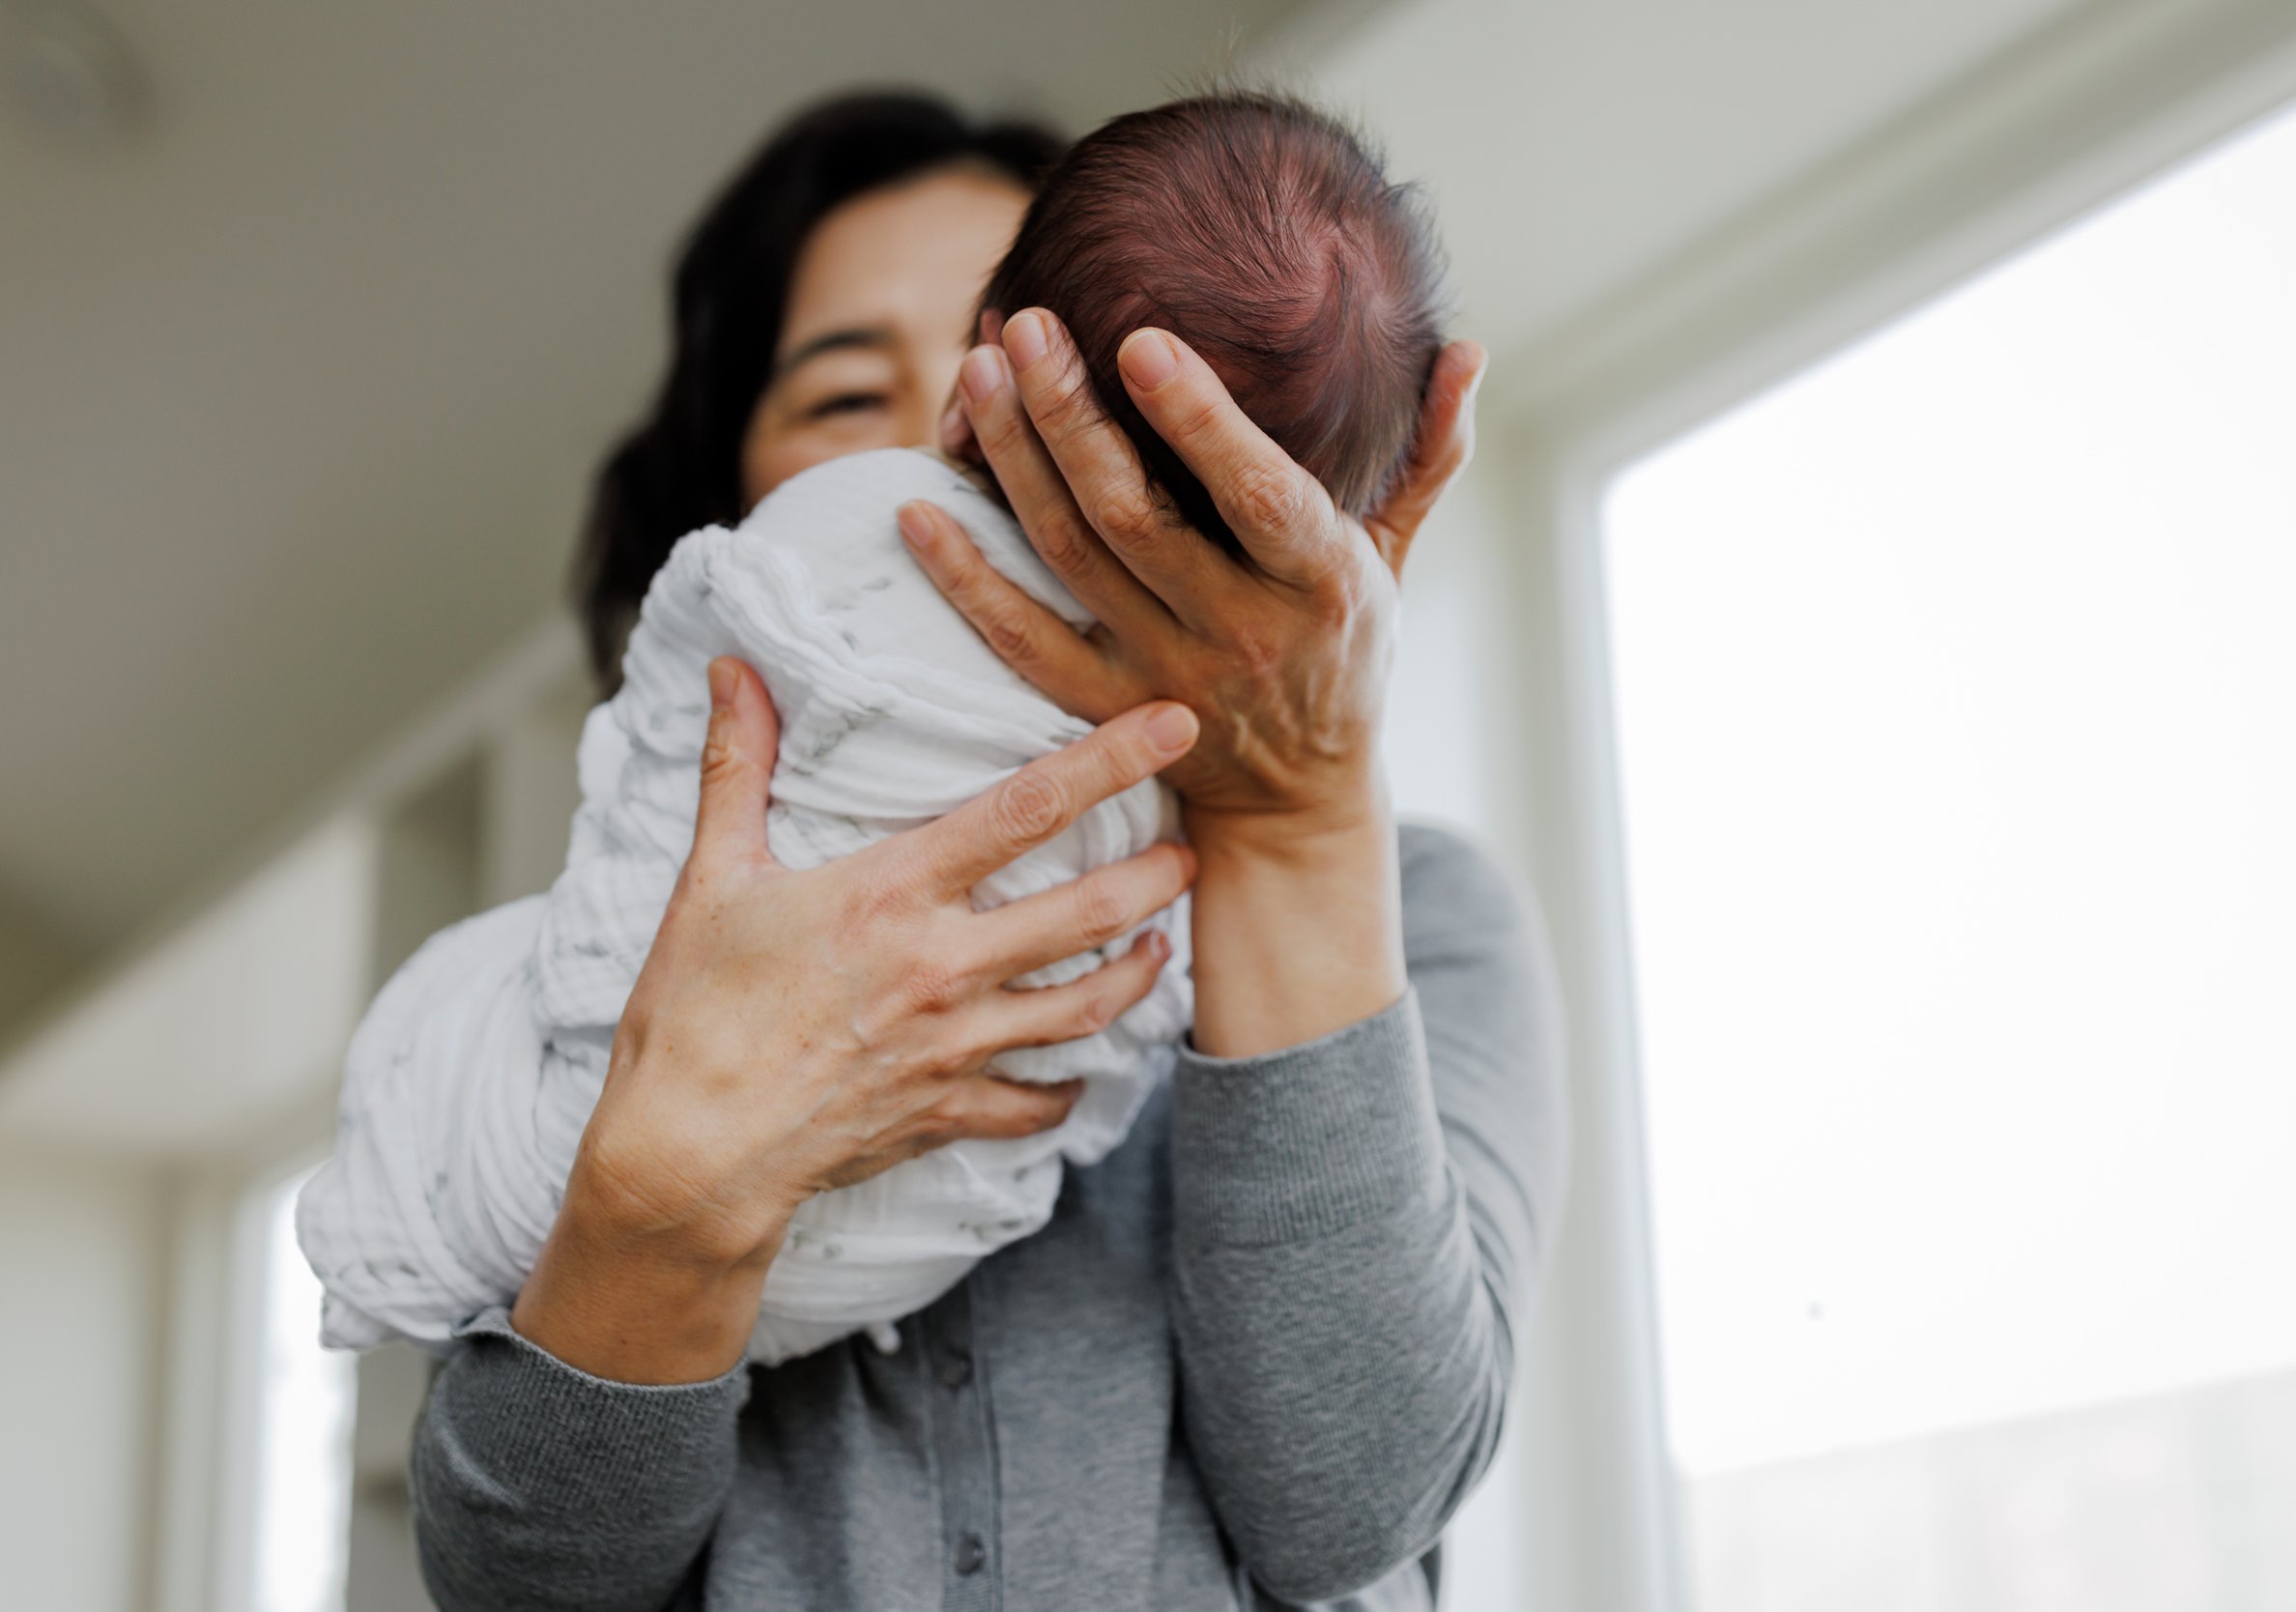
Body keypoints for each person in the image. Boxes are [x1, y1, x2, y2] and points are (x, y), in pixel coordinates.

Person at [409, 89, 1567, 1611]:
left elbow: (1356, 1503)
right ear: (727, 502)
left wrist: (1290, 820)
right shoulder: (607, 970)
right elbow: (515, 1583)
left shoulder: (1421, 911)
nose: (949, 454)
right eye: (838, 400)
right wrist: (662, 1199)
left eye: (1035, 391)